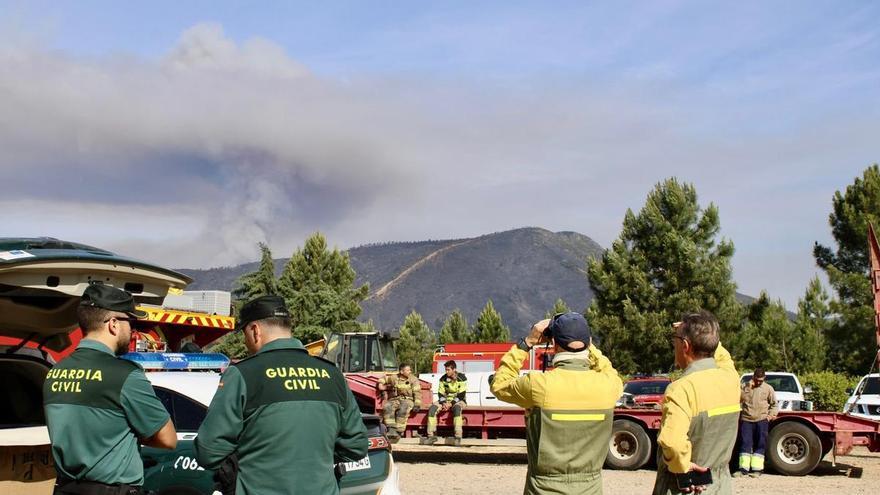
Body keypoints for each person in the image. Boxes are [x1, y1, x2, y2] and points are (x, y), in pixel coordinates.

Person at [194, 295, 368, 494]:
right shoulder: (332, 374)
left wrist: (247, 464)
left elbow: (208, 451)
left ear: (254, 331)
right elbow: (356, 446)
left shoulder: (243, 374)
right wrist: (314, 459)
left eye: (244, 334)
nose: (245, 342)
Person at [43, 284, 177, 495]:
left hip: (66, 488)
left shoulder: (54, 372)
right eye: (129, 321)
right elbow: (168, 439)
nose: (132, 329)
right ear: (113, 324)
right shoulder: (125, 374)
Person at [491, 312, 623, 495]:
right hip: (590, 488)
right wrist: (590, 347)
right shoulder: (609, 385)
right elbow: (607, 368)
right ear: (588, 342)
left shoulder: (539, 385)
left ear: (554, 344)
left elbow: (499, 384)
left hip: (543, 489)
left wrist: (527, 343)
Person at [653, 311, 740, 495]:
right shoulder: (731, 379)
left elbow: (673, 442)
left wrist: (683, 466)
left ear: (685, 345)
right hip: (720, 485)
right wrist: (705, 334)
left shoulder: (682, 389)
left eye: (675, 340)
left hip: (686, 486)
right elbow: (722, 356)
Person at [736, 367, 778, 478]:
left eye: (761, 380)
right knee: (745, 444)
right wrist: (748, 388)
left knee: (760, 444)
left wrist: (770, 416)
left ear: (764, 378)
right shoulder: (745, 387)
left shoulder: (768, 388)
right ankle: (743, 469)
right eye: (757, 379)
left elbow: (774, 404)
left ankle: (757, 470)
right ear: (753, 377)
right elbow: (739, 399)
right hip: (746, 420)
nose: (759, 382)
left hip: (761, 420)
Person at [422, 360, 467, 446]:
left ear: (454, 369)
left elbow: (461, 394)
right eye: (446, 369)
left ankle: (458, 437)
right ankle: (431, 436)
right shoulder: (443, 379)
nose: (446, 371)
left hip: (459, 400)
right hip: (445, 401)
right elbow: (440, 393)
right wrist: (443, 403)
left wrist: (451, 403)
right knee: (432, 409)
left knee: (457, 409)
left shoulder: (462, 378)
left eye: (448, 370)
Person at [378, 363, 422, 441]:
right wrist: (380, 384)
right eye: (407, 370)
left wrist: (417, 404)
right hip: (395, 399)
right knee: (387, 407)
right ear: (401, 371)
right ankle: (391, 429)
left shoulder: (413, 379)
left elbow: (417, 393)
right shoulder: (395, 378)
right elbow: (384, 378)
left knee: (403, 409)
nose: (410, 371)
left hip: (408, 400)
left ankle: (399, 431)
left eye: (410, 370)